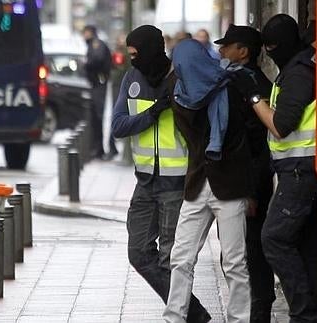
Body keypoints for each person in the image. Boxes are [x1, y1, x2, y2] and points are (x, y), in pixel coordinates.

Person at [112, 25, 211, 323]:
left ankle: (181, 315)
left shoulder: (180, 77)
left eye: (136, 54)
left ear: (154, 50)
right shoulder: (132, 79)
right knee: (139, 253)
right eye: (130, 55)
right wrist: (152, 113)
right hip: (144, 182)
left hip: (176, 183)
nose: (133, 60)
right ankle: (193, 312)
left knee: (172, 259)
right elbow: (118, 126)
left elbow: (201, 127)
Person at [163, 39, 253, 323]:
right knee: (181, 257)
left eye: (185, 65)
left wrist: (251, 190)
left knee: (235, 262)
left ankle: (239, 319)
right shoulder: (178, 92)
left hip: (230, 185)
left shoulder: (231, 86)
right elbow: (193, 139)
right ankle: (174, 317)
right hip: (197, 184)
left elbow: (248, 141)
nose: (181, 70)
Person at [237, 14, 317, 323]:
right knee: (306, 244)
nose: (268, 52)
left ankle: (303, 314)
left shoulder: (298, 74)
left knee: (273, 238)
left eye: (271, 46)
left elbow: (281, 126)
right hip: (300, 171)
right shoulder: (298, 66)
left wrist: (254, 96)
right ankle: (310, 309)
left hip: (300, 173)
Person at [215, 24, 275, 322]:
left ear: (244, 51)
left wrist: (251, 191)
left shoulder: (249, 84)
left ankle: (259, 309)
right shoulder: (239, 79)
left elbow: (256, 144)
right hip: (241, 180)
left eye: (228, 46)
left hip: (249, 182)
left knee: (248, 251)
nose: (221, 50)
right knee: (239, 252)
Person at [82, 25, 112, 159]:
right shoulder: (92, 44)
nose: (84, 36)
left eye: (85, 33)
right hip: (96, 84)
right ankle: (97, 148)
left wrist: (86, 64)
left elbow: (97, 60)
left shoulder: (96, 44)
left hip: (99, 84)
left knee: (98, 116)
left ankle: (99, 148)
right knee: (95, 117)